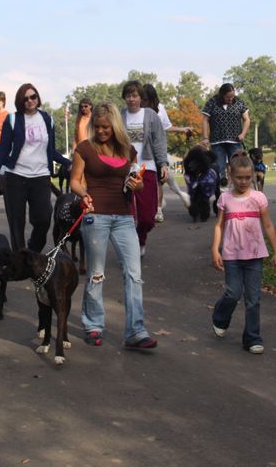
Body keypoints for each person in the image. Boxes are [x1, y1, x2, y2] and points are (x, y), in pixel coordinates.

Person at [70, 102, 158, 350]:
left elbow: (136, 181)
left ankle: (135, 331)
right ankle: (93, 325)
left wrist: (137, 185)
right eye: (97, 127)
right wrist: (83, 194)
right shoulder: (85, 149)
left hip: (123, 217)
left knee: (134, 274)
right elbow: (75, 181)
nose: (101, 131)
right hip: (95, 215)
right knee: (97, 274)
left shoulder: (128, 150)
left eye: (106, 127)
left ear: (115, 127)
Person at [210, 153, 276, 354]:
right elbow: (219, 226)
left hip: (255, 256)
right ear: (230, 175)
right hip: (232, 256)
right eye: (239, 177)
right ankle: (220, 317)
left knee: (253, 298)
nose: (243, 181)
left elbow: (268, 225)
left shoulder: (259, 198)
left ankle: (252, 338)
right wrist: (215, 249)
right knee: (233, 293)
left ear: (252, 176)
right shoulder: (225, 198)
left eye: (247, 177)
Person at [0, 84, 71, 253]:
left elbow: (51, 150)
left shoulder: (47, 119)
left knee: (43, 219)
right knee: (16, 221)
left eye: (33, 96)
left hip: (40, 176)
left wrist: (67, 162)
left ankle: (32, 251)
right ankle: (20, 259)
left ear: (37, 97)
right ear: (20, 101)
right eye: (25, 98)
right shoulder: (13, 120)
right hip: (15, 176)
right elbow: (3, 148)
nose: (30, 100)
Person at [120, 81, 169, 256]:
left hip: (147, 166)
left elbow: (159, 141)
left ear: (141, 97)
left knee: (148, 217)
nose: (131, 99)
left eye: (135, 95)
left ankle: (141, 238)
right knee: (128, 214)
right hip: (125, 168)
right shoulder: (120, 116)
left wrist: (163, 163)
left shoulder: (150, 115)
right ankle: (131, 246)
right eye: (128, 96)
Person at [141, 83, 192, 222]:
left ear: (152, 99)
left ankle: (158, 210)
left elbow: (167, 127)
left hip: (157, 151)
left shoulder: (160, 109)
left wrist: (183, 130)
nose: (142, 102)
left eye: (145, 99)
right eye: (142, 98)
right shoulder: (136, 110)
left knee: (159, 181)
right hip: (140, 153)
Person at [201, 83, 250, 186]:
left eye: (232, 96)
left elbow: (246, 119)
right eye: (228, 97)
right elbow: (205, 120)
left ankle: (237, 191)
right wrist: (205, 137)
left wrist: (243, 134)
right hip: (217, 141)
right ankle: (221, 194)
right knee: (219, 168)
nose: (231, 99)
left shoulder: (239, 102)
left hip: (235, 141)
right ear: (222, 95)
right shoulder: (212, 102)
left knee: (238, 168)